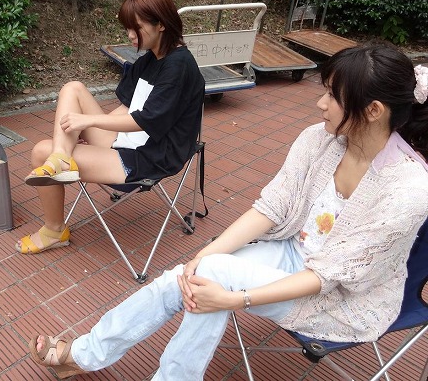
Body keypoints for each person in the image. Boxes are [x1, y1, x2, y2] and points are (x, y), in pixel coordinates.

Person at [27, 41, 428, 379]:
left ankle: (99, 359)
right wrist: (200, 256)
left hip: (341, 299)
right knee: (186, 276)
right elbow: (272, 208)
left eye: (333, 96)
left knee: (214, 277)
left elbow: (329, 277)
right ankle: (86, 354)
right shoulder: (320, 140)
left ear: (373, 111)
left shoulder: (408, 188)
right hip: (293, 254)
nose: (320, 103)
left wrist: (237, 299)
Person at [16, 0, 205, 254]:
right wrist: (90, 126)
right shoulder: (150, 59)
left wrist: (88, 122)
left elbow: (145, 120)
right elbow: (126, 108)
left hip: (150, 156)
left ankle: (55, 230)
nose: (130, 35)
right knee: (73, 88)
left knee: (39, 152)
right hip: (128, 140)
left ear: (161, 24)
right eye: (127, 28)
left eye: (136, 28)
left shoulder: (178, 66)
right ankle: (61, 158)